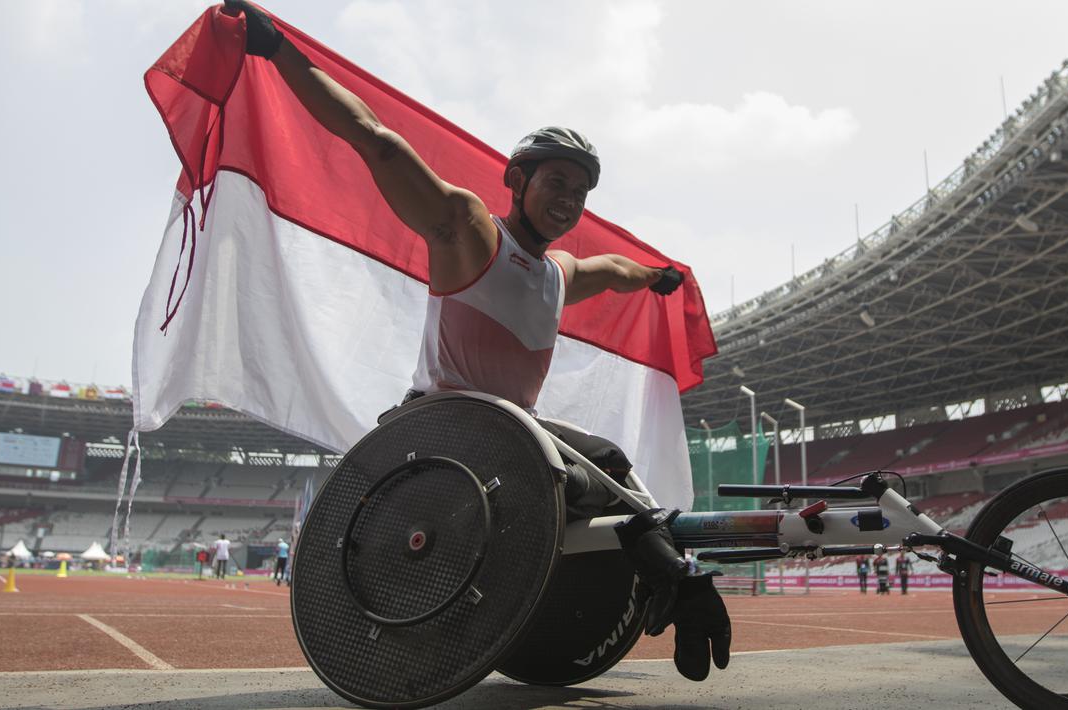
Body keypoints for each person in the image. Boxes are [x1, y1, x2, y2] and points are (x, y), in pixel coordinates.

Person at [220, 2, 729, 683]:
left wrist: (658, 277)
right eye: (556, 182)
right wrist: (277, 49)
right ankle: (680, 579)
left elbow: (613, 271)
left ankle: (671, 582)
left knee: (608, 461)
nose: (568, 200)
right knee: (584, 477)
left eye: (579, 192)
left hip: (515, 432)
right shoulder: (467, 231)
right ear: (516, 180)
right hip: (444, 424)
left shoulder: (559, 275)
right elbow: (375, 139)